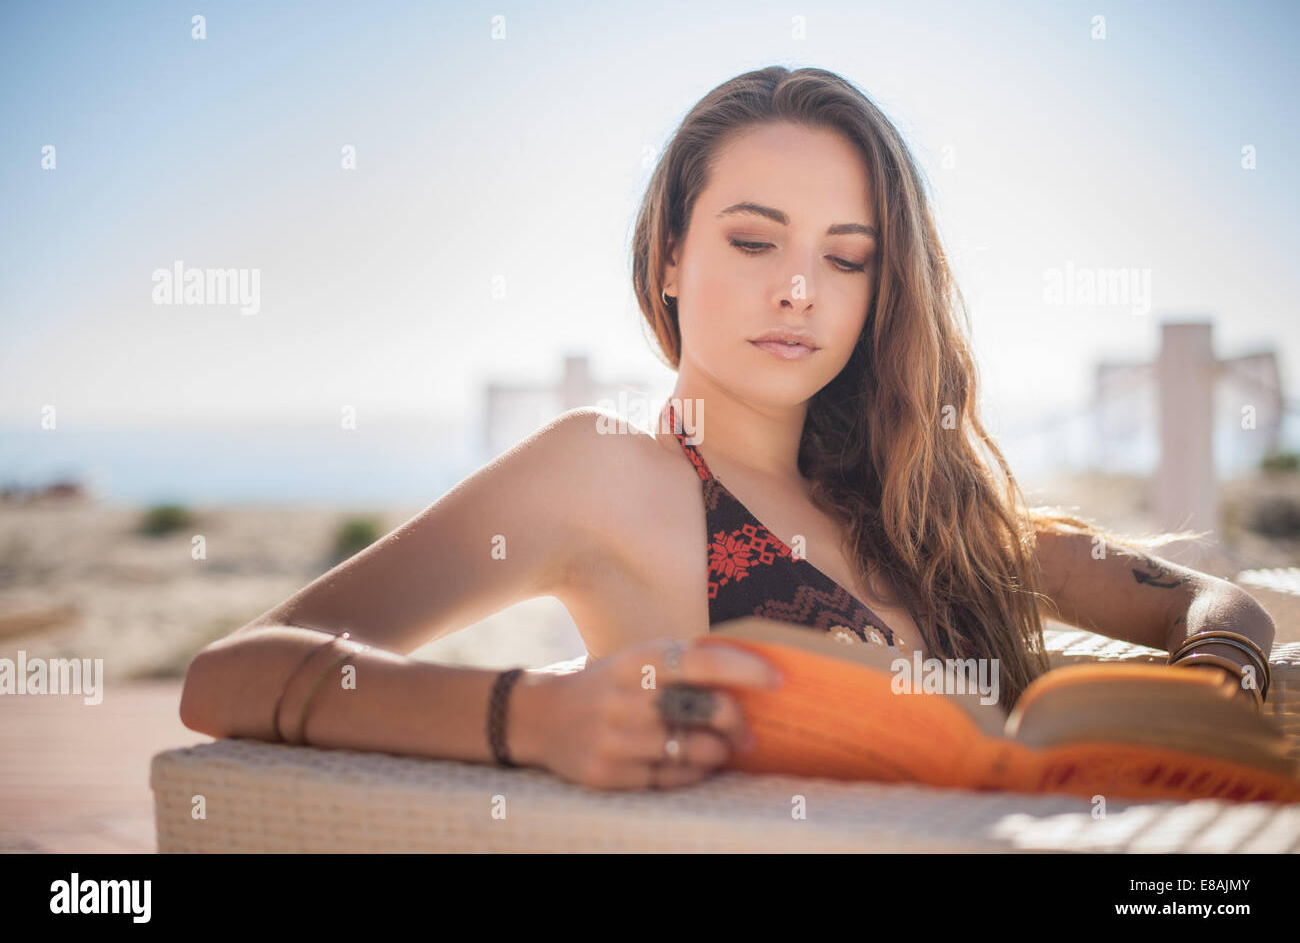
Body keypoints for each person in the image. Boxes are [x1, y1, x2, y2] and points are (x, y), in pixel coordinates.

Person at [180, 65, 1276, 792]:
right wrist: (534, 714)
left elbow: (1201, 598)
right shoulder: (605, 474)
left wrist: (1226, 666)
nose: (800, 290)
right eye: (754, 241)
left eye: (847, 258)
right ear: (668, 255)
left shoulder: (922, 504)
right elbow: (230, 676)